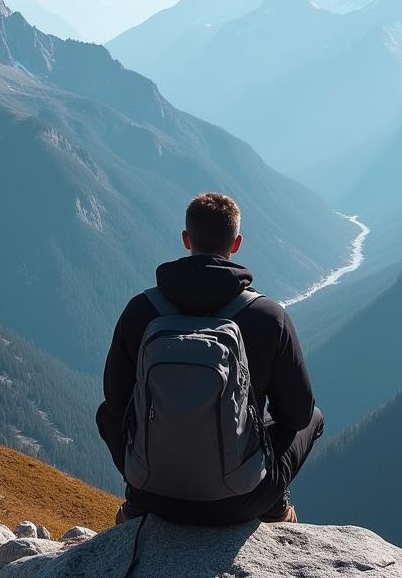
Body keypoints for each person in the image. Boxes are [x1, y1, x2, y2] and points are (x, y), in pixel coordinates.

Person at [96, 191, 324, 525]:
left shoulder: (141, 311)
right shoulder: (268, 316)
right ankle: (275, 507)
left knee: (106, 414)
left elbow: (115, 404)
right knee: (312, 417)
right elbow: (298, 413)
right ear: (237, 243)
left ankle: (134, 505)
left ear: (186, 239)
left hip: (154, 493)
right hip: (240, 498)